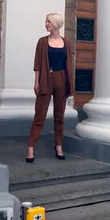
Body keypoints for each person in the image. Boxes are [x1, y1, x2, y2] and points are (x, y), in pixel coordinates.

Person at [26, 13, 74, 163]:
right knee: (39, 115)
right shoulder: (42, 42)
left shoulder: (66, 43)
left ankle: (58, 145)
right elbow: (37, 64)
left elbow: (68, 65)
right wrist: (36, 82)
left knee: (59, 116)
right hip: (46, 79)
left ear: (55, 24)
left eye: (48, 22)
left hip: (61, 79)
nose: (46, 24)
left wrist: (68, 83)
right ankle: (31, 147)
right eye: (45, 22)